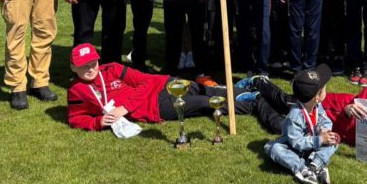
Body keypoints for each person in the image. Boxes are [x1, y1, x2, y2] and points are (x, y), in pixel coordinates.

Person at [66, 43, 256, 131]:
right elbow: (75, 118)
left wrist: (126, 107)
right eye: (83, 65)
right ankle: (252, 104)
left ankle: (252, 91)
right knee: (206, 102)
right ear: (73, 67)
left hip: (162, 83)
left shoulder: (112, 68)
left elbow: (146, 80)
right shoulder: (76, 91)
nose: (90, 69)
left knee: (207, 89)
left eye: (92, 63)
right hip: (156, 107)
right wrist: (96, 123)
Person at [264, 64, 339, 184]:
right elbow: (296, 142)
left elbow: (324, 120)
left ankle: (314, 166)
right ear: (316, 97)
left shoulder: (317, 106)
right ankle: (303, 169)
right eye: (324, 89)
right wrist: (319, 140)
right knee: (273, 148)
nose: (326, 90)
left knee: (334, 139)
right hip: (294, 148)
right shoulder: (295, 116)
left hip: (312, 146)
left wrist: (324, 130)